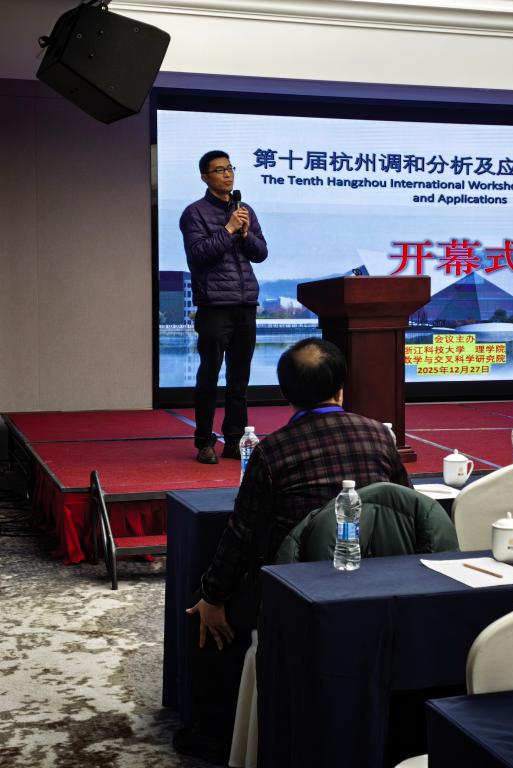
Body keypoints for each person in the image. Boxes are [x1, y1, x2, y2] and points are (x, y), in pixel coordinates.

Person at [174, 337, 412, 763]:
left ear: (286, 394)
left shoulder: (273, 450)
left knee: (204, 610)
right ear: (341, 389)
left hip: (298, 594)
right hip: (378, 586)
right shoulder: (380, 436)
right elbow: (405, 507)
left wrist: (212, 594)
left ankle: (215, 736)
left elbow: (242, 535)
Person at [179, 150, 268, 465]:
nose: (227, 174)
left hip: (245, 305)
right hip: (214, 306)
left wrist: (245, 234)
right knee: (209, 376)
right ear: (205, 177)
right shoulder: (194, 213)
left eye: (230, 168)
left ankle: (234, 441)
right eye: (219, 170)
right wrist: (228, 229)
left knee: (239, 380)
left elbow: (261, 253)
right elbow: (198, 254)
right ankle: (204, 441)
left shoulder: (245, 210)